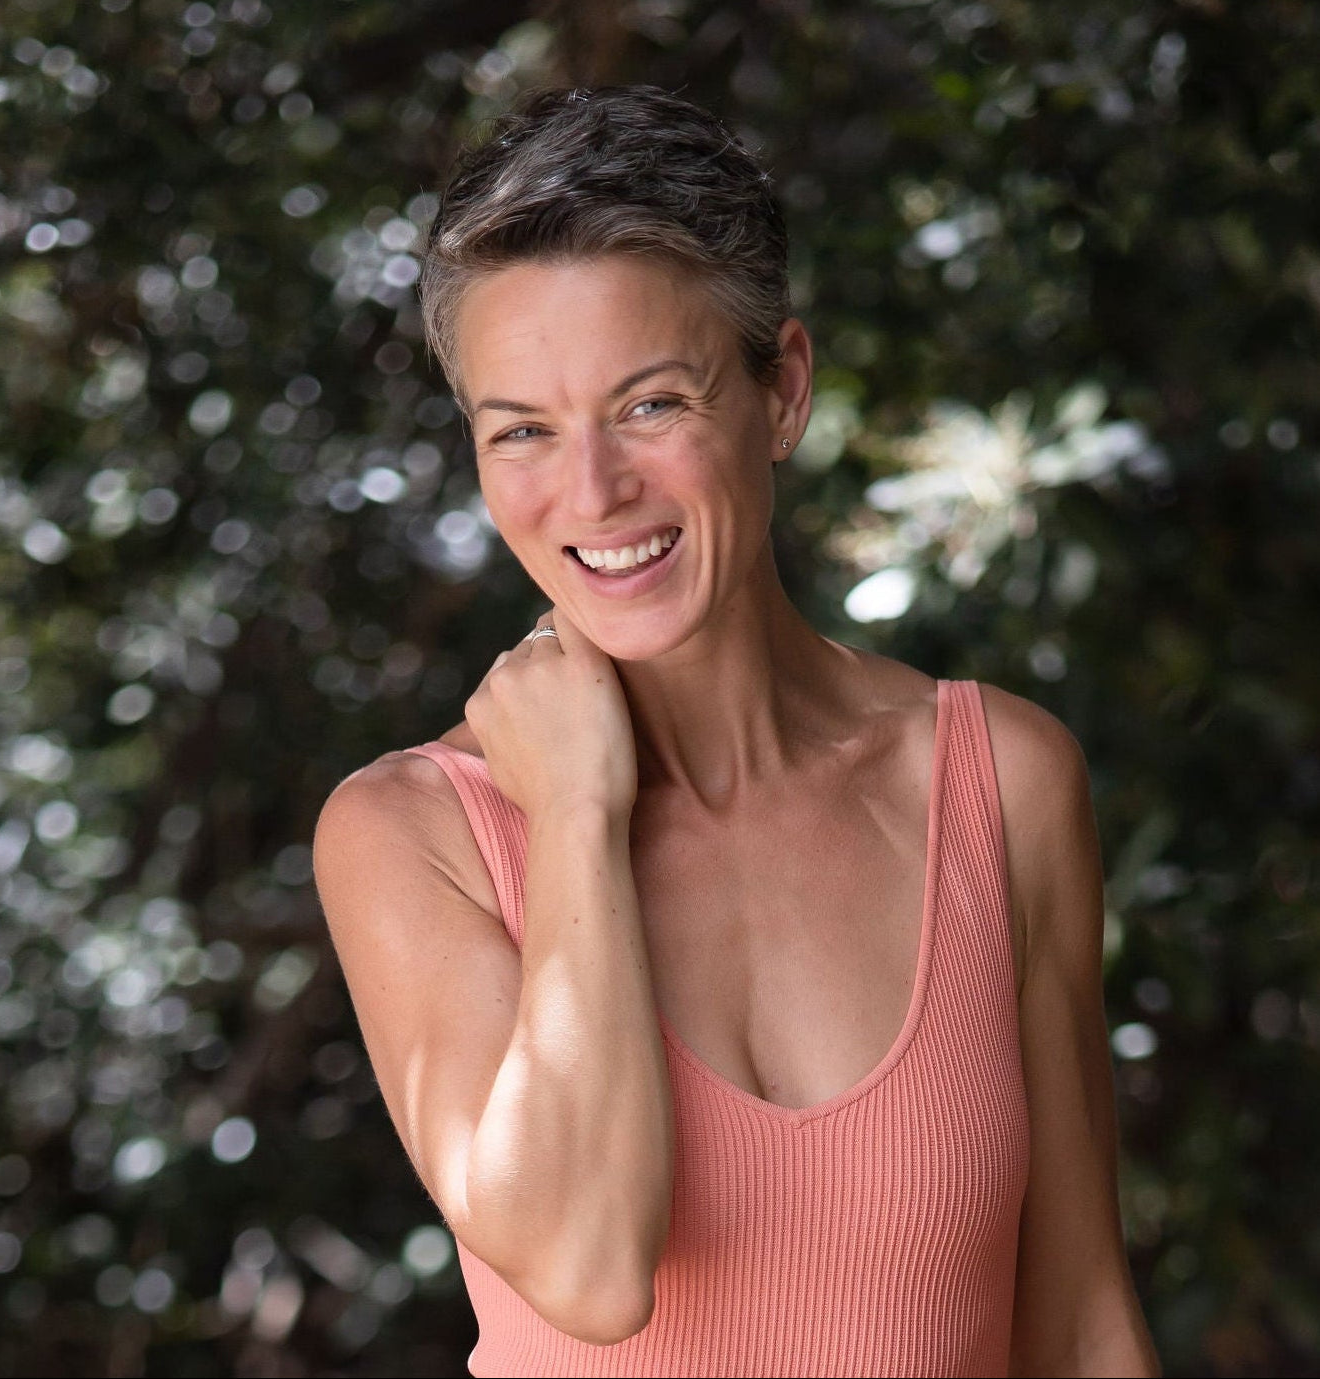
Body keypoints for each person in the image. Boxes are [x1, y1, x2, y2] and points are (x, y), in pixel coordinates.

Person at [313, 86, 1159, 1378]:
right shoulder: (416, 837)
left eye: (651, 405)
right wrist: (578, 814)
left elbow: (1085, 1325)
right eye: (523, 431)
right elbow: (590, 1271)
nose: (592, 492)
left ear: (782, 391)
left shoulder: (998, 783)